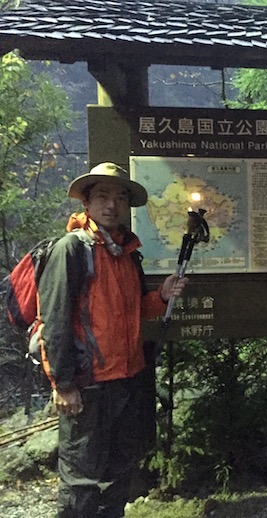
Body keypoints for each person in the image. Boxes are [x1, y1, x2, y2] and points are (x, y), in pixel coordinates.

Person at [36, 162, 187, 518]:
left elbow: (130, 313)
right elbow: (54, 319)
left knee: (118, 473)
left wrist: (161, 297)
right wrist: (63, 383)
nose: (112, 205)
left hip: (126, 379)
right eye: (102, 196)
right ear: (87, 203)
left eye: (119, 198)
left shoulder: (125, 253)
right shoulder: (72, 249)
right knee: (81, 481)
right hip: (88, 385)